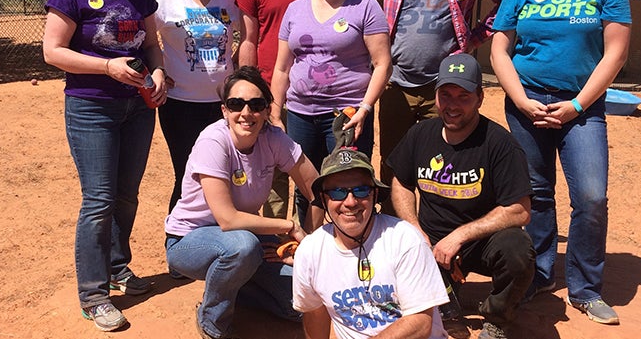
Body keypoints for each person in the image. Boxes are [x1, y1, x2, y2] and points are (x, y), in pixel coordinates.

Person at [490, 0, 631, 326]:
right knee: (535, 195)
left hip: (581, 108)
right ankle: (540, 274)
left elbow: (616, 53)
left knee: (591, 196)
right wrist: (518, 98)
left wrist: (575, 105)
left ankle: (586, 289)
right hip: (527, 102)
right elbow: (499, 46)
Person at [42, 0, 167, 332]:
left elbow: (152, 44)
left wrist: (160, 71)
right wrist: (107, 67)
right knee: (98, 200)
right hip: (91, 104)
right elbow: (52, 51)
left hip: (137, 105)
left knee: (127, 194)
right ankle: (94, 294)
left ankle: (118, 266)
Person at [356, 0, 511, 189]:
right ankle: (393, 227)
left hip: (445, 85)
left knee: (442, 164)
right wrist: (372, 44)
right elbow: (356, 0)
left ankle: (436, 224)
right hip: (395, 84)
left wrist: (475, 37)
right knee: (393, 163)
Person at [164, 66, 322, 339]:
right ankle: (212, 321)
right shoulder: (214, 141)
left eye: (256, 104)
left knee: (300, 303)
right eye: (236, 104)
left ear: (266, 110)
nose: (246, 113)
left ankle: (235, 287)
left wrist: (305, 244)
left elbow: (317, 190)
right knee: (242, 247)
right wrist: (289, 227)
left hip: (245, 238)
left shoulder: (274, 139)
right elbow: (228, 220)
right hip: (189, 240)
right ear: (225, 110)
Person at [387, 54, 535, 339]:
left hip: (479, 244)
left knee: (518, 249)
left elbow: (520, 210)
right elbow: (401, 182)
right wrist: (414, 230)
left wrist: (459, 237)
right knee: (389, 231)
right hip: (430, 242)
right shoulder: (420, 134)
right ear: (436, 95)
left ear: (480, 98)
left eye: (463, 96)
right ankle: (443, 303)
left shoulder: (499, 143)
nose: (453, 105)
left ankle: (497, 319)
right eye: (446, 95)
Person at [237, 0, 356, 220]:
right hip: (268, 92)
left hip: (321, 96)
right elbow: (249, 39)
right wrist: (248, 89)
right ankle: (276, 236)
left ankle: (323, 238)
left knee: (317, 171)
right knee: (271, 170)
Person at [270, 0, 391, 224]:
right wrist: (275, 111)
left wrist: (365, 108)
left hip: (347, 115)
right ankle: (312, 252)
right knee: (307, 186)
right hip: (299, 113)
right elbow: (282, 67)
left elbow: (383, 63)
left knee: (350, 186)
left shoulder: (365, 5)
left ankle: (353, 249)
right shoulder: (295, 9)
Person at [292, 147, 449, 339]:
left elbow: (420, 324)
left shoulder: (405, 239)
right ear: (324, 200)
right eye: (337, 192)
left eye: (360, 190)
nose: (350, 202)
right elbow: (314, 314)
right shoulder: (310, 251)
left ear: (374, 195)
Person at [153, 0, 241, 212]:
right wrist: (155, 70)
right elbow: (142, 43)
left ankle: (221, 239)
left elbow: (254, 37)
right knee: (188, 175)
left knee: (226, 174)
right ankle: (178, 241)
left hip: (224, 105)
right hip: (180, 105)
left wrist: (237, 69)